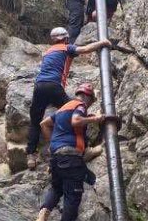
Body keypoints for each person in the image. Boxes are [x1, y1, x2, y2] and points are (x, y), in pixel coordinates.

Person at [26, 26, 110, 170]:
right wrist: (103, 43)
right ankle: (86, 148)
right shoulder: (66, 48)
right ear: (65, 38)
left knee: (35, 121)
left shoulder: (47, 52)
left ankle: (31, 155)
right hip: (54, 86)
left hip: (39, 86)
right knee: (76, 110)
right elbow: (84, 49)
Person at [33, 82, 106, 221]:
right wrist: (96, 118)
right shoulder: (80, 106)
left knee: (57, 188)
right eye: (91, 100)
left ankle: (42, 216)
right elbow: (76, 120)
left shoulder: (65, 107)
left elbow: (44, 124)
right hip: (71, 157)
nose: (90, 104)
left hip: (57, 156)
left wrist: (54, 143)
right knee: (73, 194)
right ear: (88, 97)